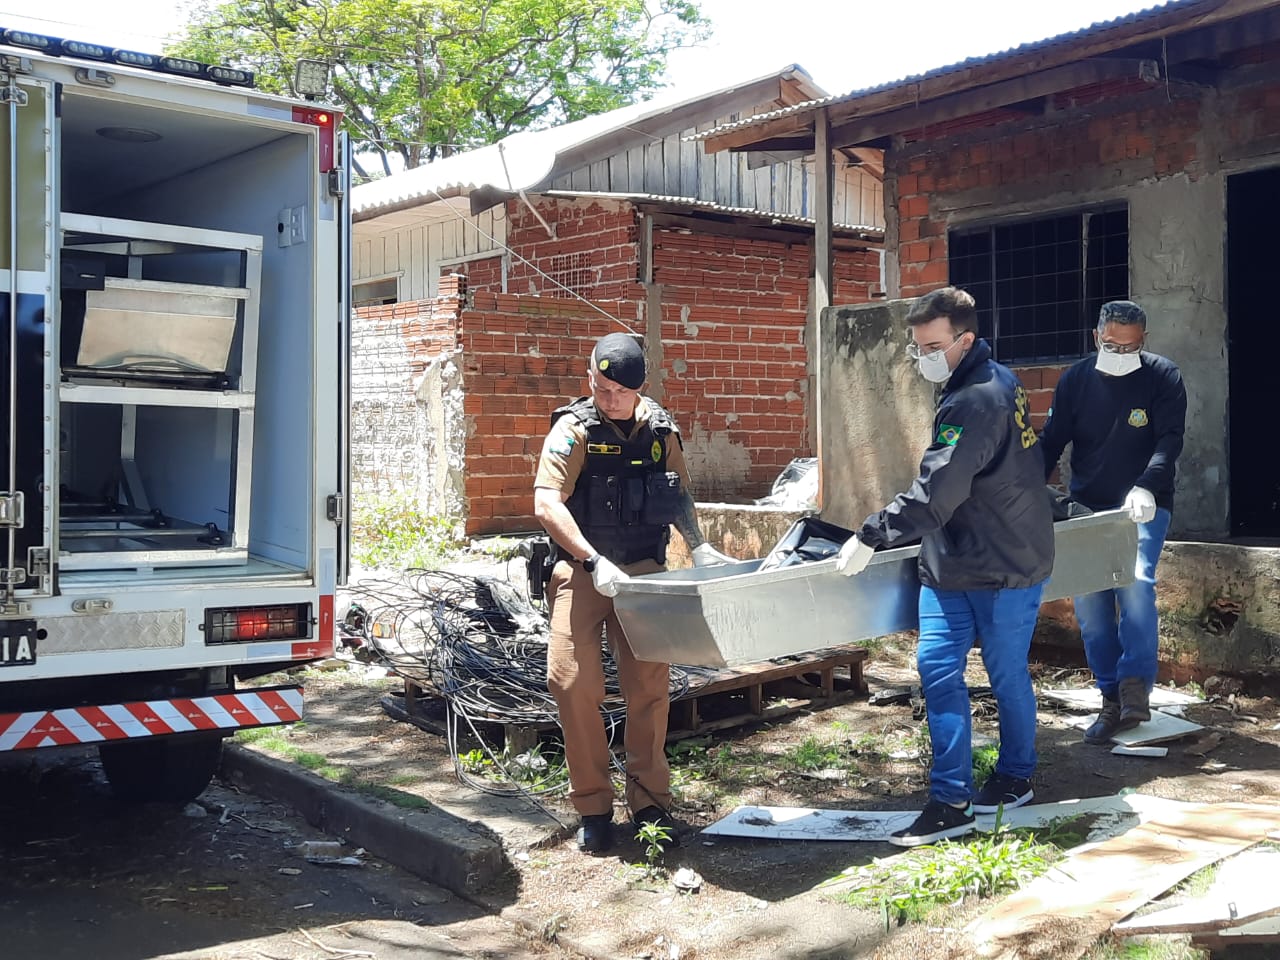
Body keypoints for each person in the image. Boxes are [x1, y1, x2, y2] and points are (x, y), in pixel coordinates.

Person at [835, 286, 1054, 847]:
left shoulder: (978, 398)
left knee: (1006, 677)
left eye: (931, 346)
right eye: (917, 346)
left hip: (1004, 564)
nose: (922, 357)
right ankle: (950, 797)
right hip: (954, 560)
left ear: (966, 340)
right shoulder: (985, 380)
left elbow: (936, 495)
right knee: (937, 672)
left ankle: (1013, 776)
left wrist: (871, 533)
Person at [533, 332, 733, 854]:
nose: (607, 399)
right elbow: (546, 503)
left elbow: (679, 492)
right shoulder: (572, 429)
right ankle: (593, 807)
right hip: (584, 570)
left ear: (639, 388)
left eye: (617, 392)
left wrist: (700, 547)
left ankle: (649, 802)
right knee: (571, 681)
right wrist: (591, 559)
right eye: (599, 389)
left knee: (648, 687)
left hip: (644, 571)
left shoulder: (660, 430)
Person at [1039, 300, 1186, 744]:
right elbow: (1051, 441)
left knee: (1136, 583)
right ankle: (1110, 699)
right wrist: (1025, 488)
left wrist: (1145, 485)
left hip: (1144, 504)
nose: (1120, 354)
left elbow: (1169, 440)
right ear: (1096, 337)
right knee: (1091, 607)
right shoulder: (1076, 381)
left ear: (1143, 342)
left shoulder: (1163, 376)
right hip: (1087, 507)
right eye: (1111, 345)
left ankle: (1135, 687)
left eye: (1129, 347)